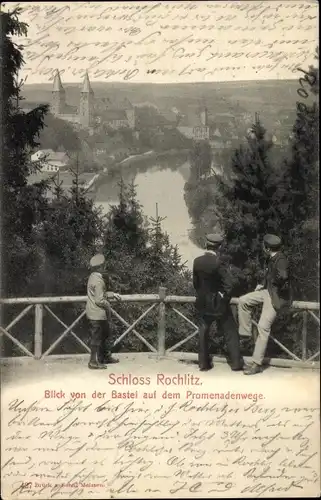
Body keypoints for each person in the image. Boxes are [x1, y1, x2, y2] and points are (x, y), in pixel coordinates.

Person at [238, 234, 292, 375]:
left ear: (267, 248)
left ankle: (256, 364)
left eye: (264, 246)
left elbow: (283, 277)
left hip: (275, 297)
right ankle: (245, 333)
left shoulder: (281, 260)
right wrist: (262, 284)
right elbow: (270, 276)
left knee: (263, 327)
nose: (263, 248)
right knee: (243, 301)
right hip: (267, 291)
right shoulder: (271, 258)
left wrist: (274, 284)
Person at [193, 233, 244, 372]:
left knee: (203, 332)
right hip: (218, 303)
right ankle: (236, 364)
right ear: (219, 247)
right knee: (231, 332)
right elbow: (230, 285)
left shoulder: (197, 261)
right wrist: (223, 297)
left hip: (203, 303)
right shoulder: (219, 262)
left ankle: (203, 364)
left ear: (206, 245)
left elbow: (196, 284)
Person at [86, 254, 121, 370]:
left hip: (93, 312)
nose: (105, 268)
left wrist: (112, 294)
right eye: (103, 266)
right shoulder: (99, 281)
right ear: (100, 267)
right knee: (97, 338)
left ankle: (104, 357)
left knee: (104, 335)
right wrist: (108, 304)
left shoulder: (92, 277)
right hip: (98, 313)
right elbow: (100, 300)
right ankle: (93, 362)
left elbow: (99, 294)